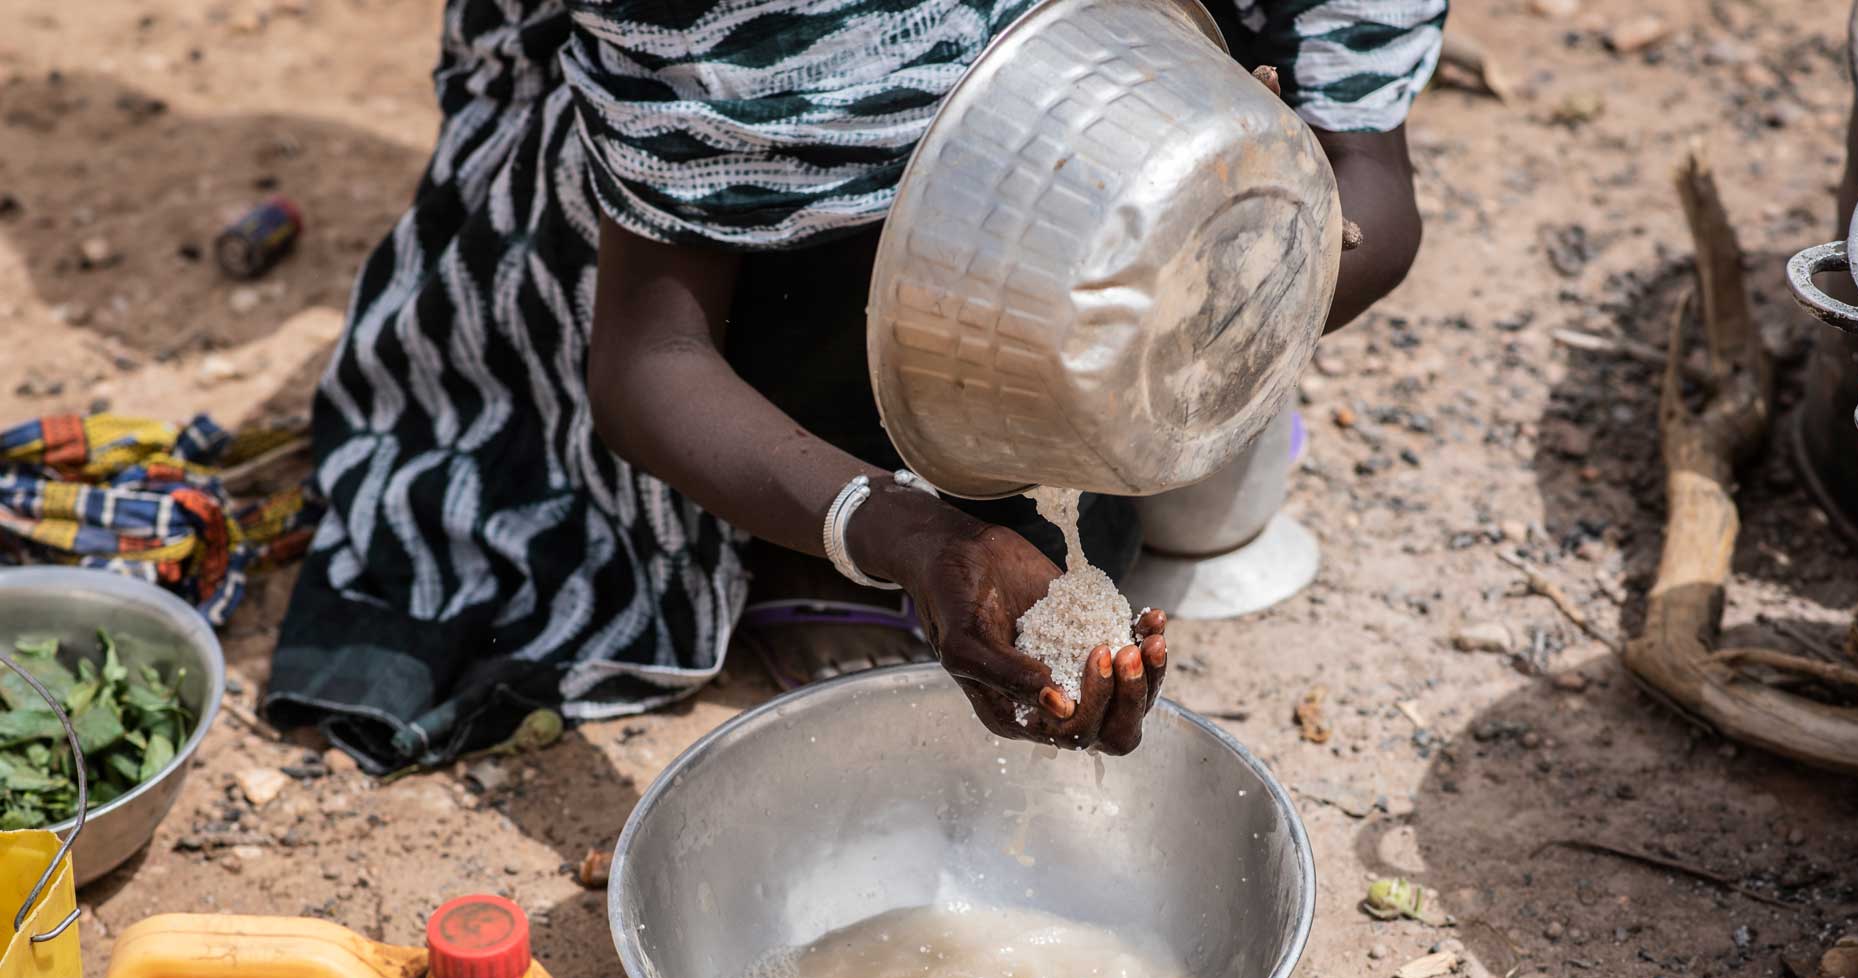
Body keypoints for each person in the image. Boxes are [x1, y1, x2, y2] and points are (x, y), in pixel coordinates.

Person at [267, 0, 1446, 772]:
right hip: (763, 206)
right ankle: (811, 514)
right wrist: (896, 532)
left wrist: (1187, 349)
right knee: (987, 599)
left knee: (1130, 532)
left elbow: (1368, 188)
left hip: (1122, 204)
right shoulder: (762, 36)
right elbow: (648, 363)